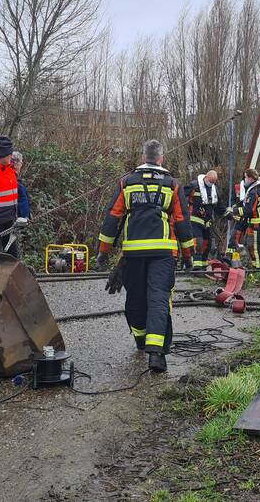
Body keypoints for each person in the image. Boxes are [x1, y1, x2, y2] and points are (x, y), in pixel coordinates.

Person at [96, 139, 195, 373]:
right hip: (163, 254)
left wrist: (103, 253)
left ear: (143, 157)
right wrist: (188, 254)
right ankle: (157, 355)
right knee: (159, 299)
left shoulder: (127, 183)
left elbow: (113, 218)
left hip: (133, 253)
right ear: (160, 158)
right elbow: (182, 221)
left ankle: (141, 341)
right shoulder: (172, 184)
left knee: (136, 298)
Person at [229, 168, 260, 268]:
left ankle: (258, 267)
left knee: (253, 246)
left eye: (246, 177)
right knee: (250, 244)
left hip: (256, 222)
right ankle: (256, 265)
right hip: (259, 220)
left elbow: (248, 210)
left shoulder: (254, 191)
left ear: (251, 178)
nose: (245, 179)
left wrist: (234, 211)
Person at [182, 169, 225, 269]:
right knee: (198, 242)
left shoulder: (215, 190)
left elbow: (219, 206)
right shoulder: (193, 186)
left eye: (213, 182)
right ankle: (196, 267)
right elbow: (181, 197)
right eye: (210, 181)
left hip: (207, 222)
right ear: (206, 177)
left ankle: (203, 266)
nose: (211, 184)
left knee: (208, 243)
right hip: (194, 219)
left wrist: (228, 214)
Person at [10, 151, 30, 257]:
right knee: (11, 249)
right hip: (12, 220)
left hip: (13, 219)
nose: (21, 165)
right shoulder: (13, 181)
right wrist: (25, 217)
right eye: (21, 162)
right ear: (16, 163)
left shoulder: (14, 179)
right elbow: (22, 201)